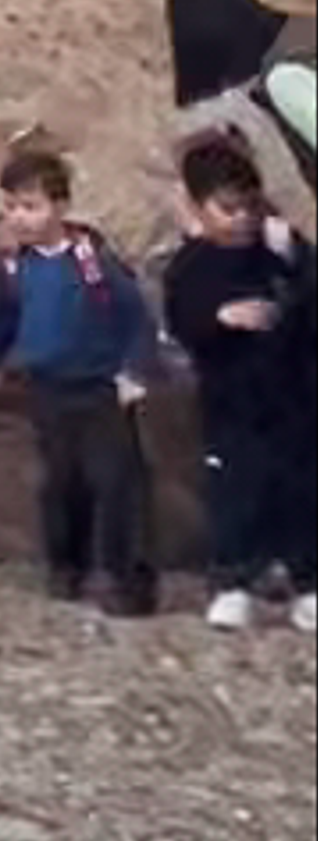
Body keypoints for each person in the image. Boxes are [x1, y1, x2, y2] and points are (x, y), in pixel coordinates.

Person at [0, 139, 158, 616]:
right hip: (47, 389)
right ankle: (67, 567)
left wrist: (134, 370)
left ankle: (126, 579)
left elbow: (133, 316)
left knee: (117, 483)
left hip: (100, 388)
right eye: (12, 206)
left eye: (31, 206)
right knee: (60, 484)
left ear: (60, 206)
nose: (19, 217)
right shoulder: (12, 268)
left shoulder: (92, 262)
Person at [164, 137, 315, 630]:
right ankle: (233, 582)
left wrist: (295, 252)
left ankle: (305, 581)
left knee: (299, 491)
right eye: (227, 210)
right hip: (231, 405)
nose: (242, 220)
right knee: (237, 493)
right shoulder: (192, 265)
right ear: (198, 208)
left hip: (293, 399)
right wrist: (220, 317)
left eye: (249, 208)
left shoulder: (278, 252)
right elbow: (184, 321)